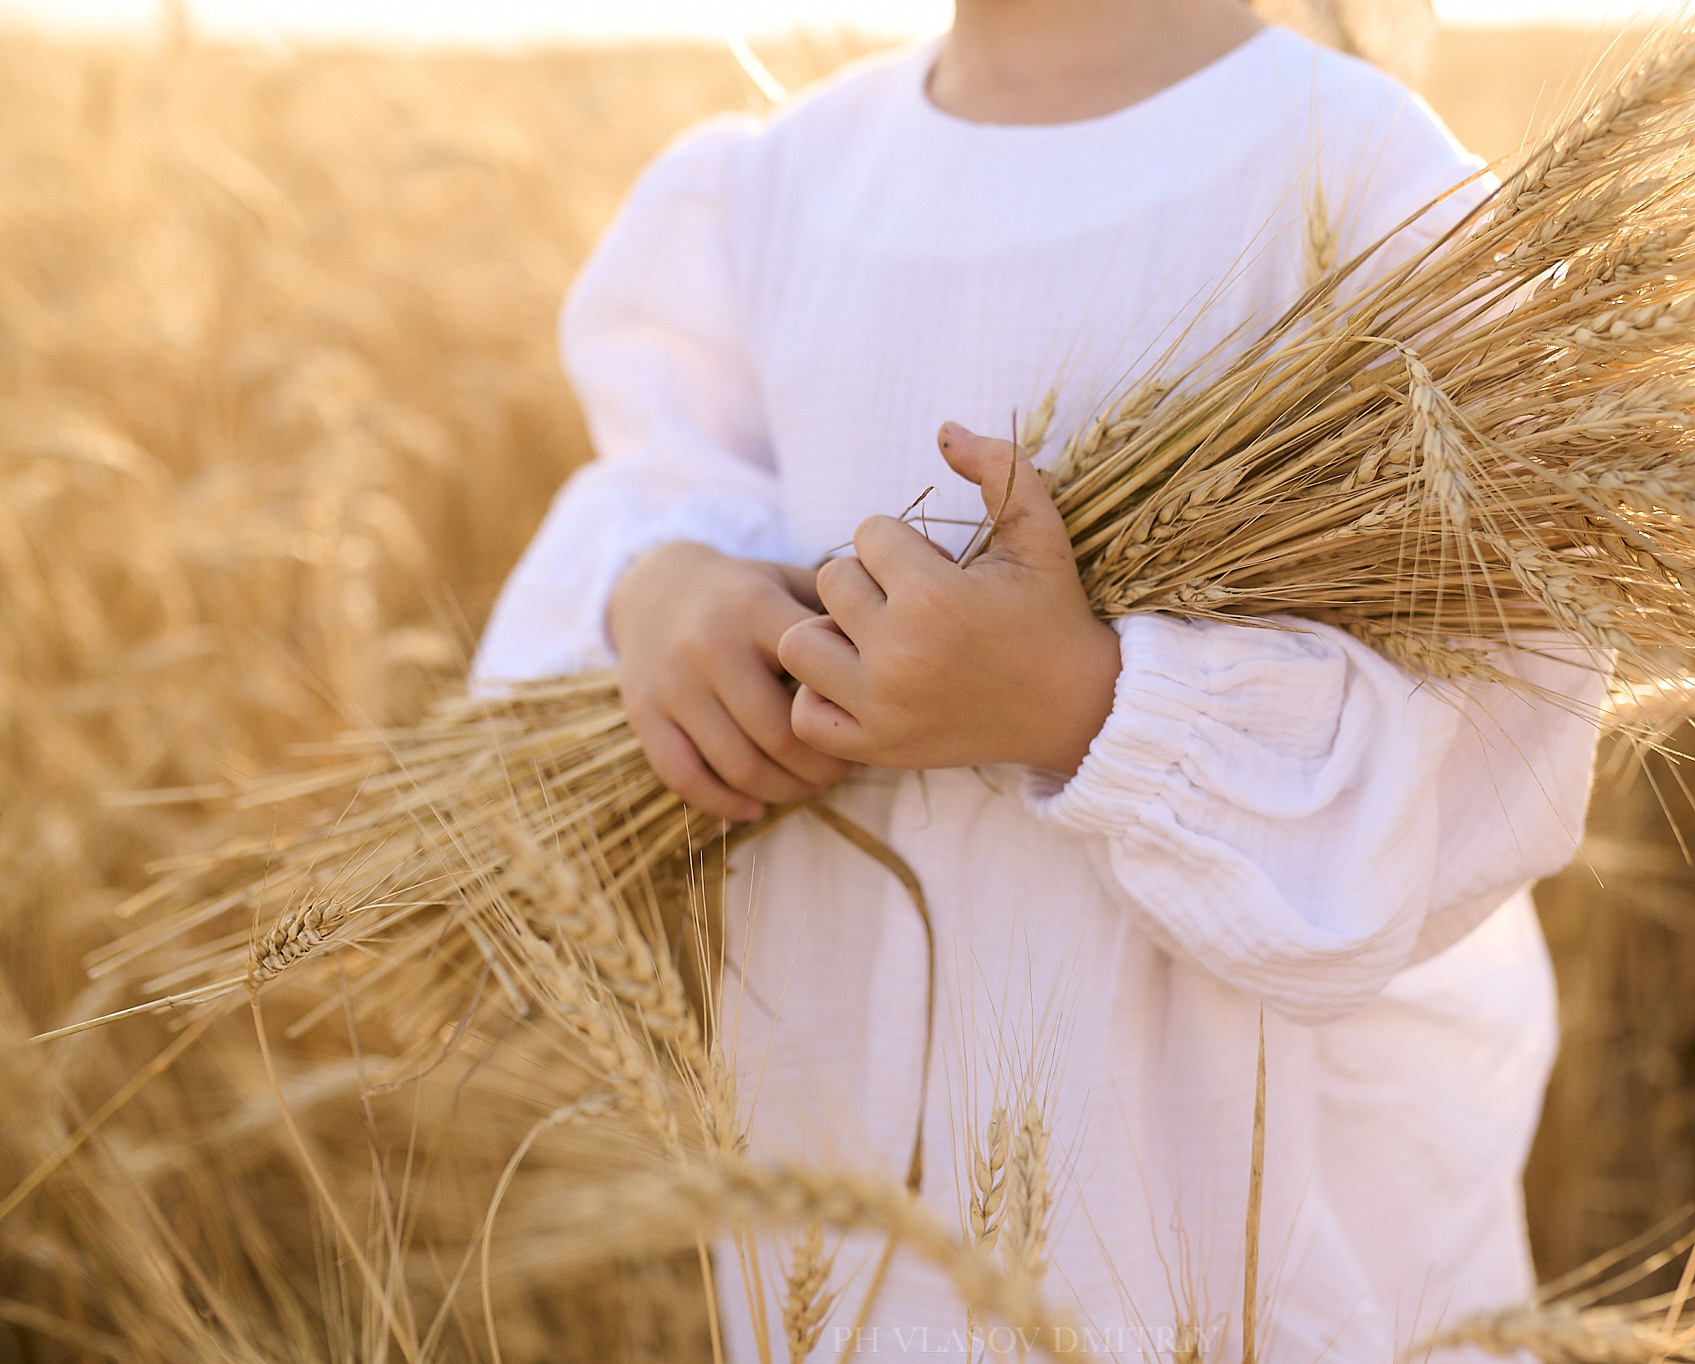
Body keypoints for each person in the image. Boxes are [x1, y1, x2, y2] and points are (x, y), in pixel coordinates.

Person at [474, 0, 1607, 1356]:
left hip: (1212, 1234)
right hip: (852, 1179)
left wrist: (1087, 702)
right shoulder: (775, 186)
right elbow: (659, 488)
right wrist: (662, 591)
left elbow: (1500, 711)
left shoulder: (1357, 175)